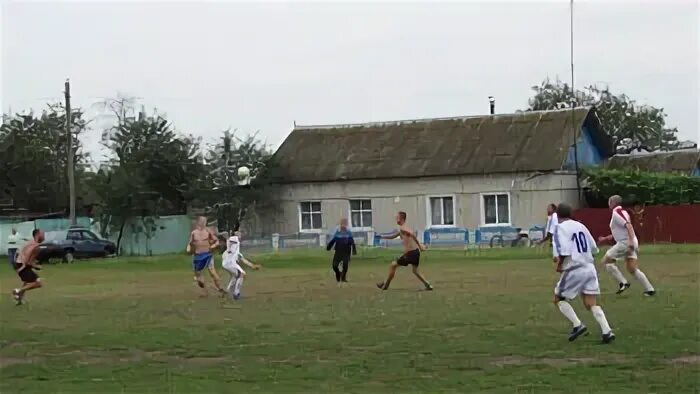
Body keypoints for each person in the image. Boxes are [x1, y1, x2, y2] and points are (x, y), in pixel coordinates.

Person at [552, 203, 615, 344]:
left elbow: (564, 252)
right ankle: (607, 331)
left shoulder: (559, 228)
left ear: (557, 215)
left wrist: (559, 265)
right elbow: (594, 248)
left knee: (559, 298)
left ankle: (577, 325)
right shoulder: (581, 226)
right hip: (589, 267)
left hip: (574, 268)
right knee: (590, 302)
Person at [598, 195, 656, 296]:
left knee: (605, 261)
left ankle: (623, 283)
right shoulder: (619, 212)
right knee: (632, 268)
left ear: (612, 202)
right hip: (627, 241)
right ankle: (650, 289)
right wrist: (606, 238)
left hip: (625, 242)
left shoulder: (617, 212)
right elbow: (621, 230)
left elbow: (628, 225)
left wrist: (630, 241)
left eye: (609, 201)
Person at [376, 211, 432, 291]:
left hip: (411, 253)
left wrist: (420, 246)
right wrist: (381, 236)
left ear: (401, 219)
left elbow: (412, 234)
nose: (396, 219)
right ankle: (428, 285)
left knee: (393, 265)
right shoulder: (402, 229)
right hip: (415, 252)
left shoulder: (403, 228)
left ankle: (385, 285)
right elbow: (393, 236)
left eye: (397, 217)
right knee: (415, 271)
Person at [186, 217, 224, 296]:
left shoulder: (208, 231)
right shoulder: (194, 233)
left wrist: (213, 246)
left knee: (213, 273)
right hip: (197, 256)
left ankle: (220, 288)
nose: (203, 223)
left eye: (205, 221)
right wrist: (188, 249)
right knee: (198, 276)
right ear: (198, 222)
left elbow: (216, 241)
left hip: (207, 254)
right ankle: (205, 291)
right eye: (202, 221)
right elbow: (190, 243)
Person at [221, 232, 260, 300]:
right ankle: (236, 293)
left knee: (235, 276)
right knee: (242, 274)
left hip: (226, 264)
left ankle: (227, 291)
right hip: (230, 263)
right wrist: (228, 242)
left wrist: (253, 266)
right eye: (239, 233)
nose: (240, 234)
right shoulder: (235, 239)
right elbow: (229, 240)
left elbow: (243, 260)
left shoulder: (236, 251)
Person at [12, 229, 45, 305]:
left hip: (19, 263)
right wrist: (36, 266)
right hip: (22, 265)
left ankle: (19, 299)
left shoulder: (30, 243)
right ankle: (18, 291)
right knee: (38, 283)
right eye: (42, 234)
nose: (44, 236)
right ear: (37, 235)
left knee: (26, 282)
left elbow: (22, 254)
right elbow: (27, 261)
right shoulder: (35, 246)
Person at [326, 218, 357, 285]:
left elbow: (352, 242)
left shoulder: (348, 232)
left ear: (346, 225)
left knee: (345, 265)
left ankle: (343, 277)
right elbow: (333, 240)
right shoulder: (337, 232)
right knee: (334, 266)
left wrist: (354, 250)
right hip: (338, 251)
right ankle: (338, 273)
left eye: (344, 224)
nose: (343, 225)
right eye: (342, 224)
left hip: (346, 251)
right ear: (340, 224)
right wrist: (328, 247)